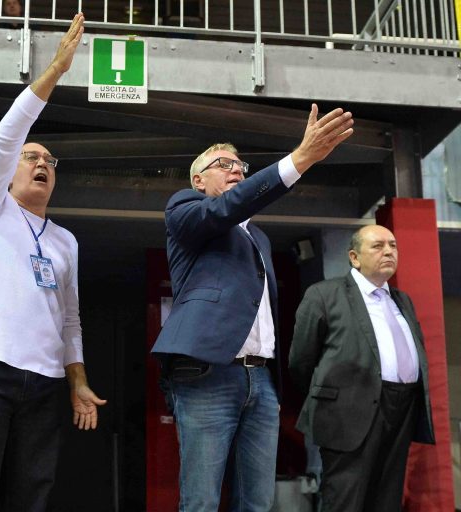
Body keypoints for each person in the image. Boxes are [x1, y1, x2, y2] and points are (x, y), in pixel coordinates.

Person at [151, 106, 354, 511]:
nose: (237, 170)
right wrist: (300, 159)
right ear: (198, 180)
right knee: (202, 501)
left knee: (258, 502)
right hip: (208, 372)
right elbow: (225, 209)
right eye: (223, 164)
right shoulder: (186, 208)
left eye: (241, 166)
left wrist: (268, 387)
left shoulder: (258, 238)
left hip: (259, 381)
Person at [0, 13, 105, 512]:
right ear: (9, 171)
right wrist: (55, 71)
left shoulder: (65, 241)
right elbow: (6, 137)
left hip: (44, 382)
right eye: (31, 157)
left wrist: (77, 380)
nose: (41, 164)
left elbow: (70, 320)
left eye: (50, 161)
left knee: (31, 497)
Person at [288, 225, 434, 512]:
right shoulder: (324, 294)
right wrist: (334, 397)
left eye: (393, 245)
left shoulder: (402, 300)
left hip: (401, 409)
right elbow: (301, 361)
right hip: (347, 413)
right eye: (378, 246)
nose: (389, 252)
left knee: (387, 500)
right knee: (346, 500)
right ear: (354, 257)